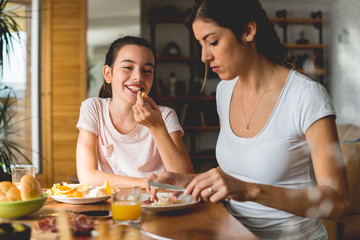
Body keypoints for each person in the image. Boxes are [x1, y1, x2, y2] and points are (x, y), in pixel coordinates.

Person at [150, 0, 350, 239]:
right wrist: (186, 181)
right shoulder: (224, 91)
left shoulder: (306, 96)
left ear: (247, 31)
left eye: (213, 41)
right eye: (200, 44)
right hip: (232, 232)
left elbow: (338, 204)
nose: (204, 56)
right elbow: (236, 172)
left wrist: (250, 191)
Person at [76, 36, 194, 188]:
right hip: (114, 204)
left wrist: (156, 127)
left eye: (147, 70)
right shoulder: (93, 109)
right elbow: (87, 176)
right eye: (128, 67)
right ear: (108, 74)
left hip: (157, 204)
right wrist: (146, 182)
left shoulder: (165, 115)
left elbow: (184, 178)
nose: (139, 77)